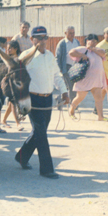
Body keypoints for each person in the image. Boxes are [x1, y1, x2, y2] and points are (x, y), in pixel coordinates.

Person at [14, 26, 70, 179]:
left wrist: (64, 91)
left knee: (39, 132)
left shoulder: (50, 55)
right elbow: (17, 80)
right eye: (38, 37)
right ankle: (46, 169)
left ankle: (21, 157)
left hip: (48, 99)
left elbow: (57, 76)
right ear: (32, 40)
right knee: (42, 134)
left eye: (44, 37)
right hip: (33, 99)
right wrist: (20, 103)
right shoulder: (25, 57)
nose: (42, 40)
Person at [67, 34, 108, 121]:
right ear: (86, 41)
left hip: (97, 79)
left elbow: (103, 53)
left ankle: (100, 116)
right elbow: (71, 52)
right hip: (85, 79)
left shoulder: (98, 50)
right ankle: (71, 111)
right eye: (91, 40)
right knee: (80, 97)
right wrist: (82, 55)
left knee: (99, 99)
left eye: (95, 41)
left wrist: (93, 49)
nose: (93, 42)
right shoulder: (82, 49)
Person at [1, 40, 24, 131]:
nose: (8, 50)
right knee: (13, 102)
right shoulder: (7, 58)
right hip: (9, 83)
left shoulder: (19, 59)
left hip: (16, 83)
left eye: (10, 48)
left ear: (16, 49)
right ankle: (18, 123)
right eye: (7, 48)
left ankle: (3, 120)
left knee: (11, 103)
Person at [55, 26, 81, 103]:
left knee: (72, 86)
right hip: (66, 67)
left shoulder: (77, 42)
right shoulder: (62, 43)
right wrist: (59, 69)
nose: (72, 35)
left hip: (75, 67)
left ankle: (59, 98)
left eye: (73, 33)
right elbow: (57, 57)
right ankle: (72, 104)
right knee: (71, 86)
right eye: (70, 33)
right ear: (65, 33)